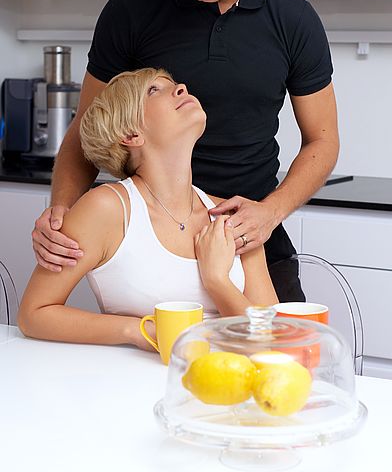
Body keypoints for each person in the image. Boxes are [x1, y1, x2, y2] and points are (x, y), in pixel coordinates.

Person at [31, 0, 339, 302]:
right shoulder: (131, 10)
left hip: (247, 235)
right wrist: (62, 212)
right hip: (149, 238)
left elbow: (322, 141)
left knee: (285, 360)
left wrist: (271, 212)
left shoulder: (294, 20)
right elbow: (87, 126)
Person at [18, 68, 278, 348]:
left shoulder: (233, 218)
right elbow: (35, 314)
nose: (182, 88)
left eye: (175, 84)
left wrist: (217, 280)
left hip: (227, 385)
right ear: (130, 134)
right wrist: (141, 331)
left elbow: (272, 341)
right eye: (154, 90)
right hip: (134, 386)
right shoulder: (106, 209)